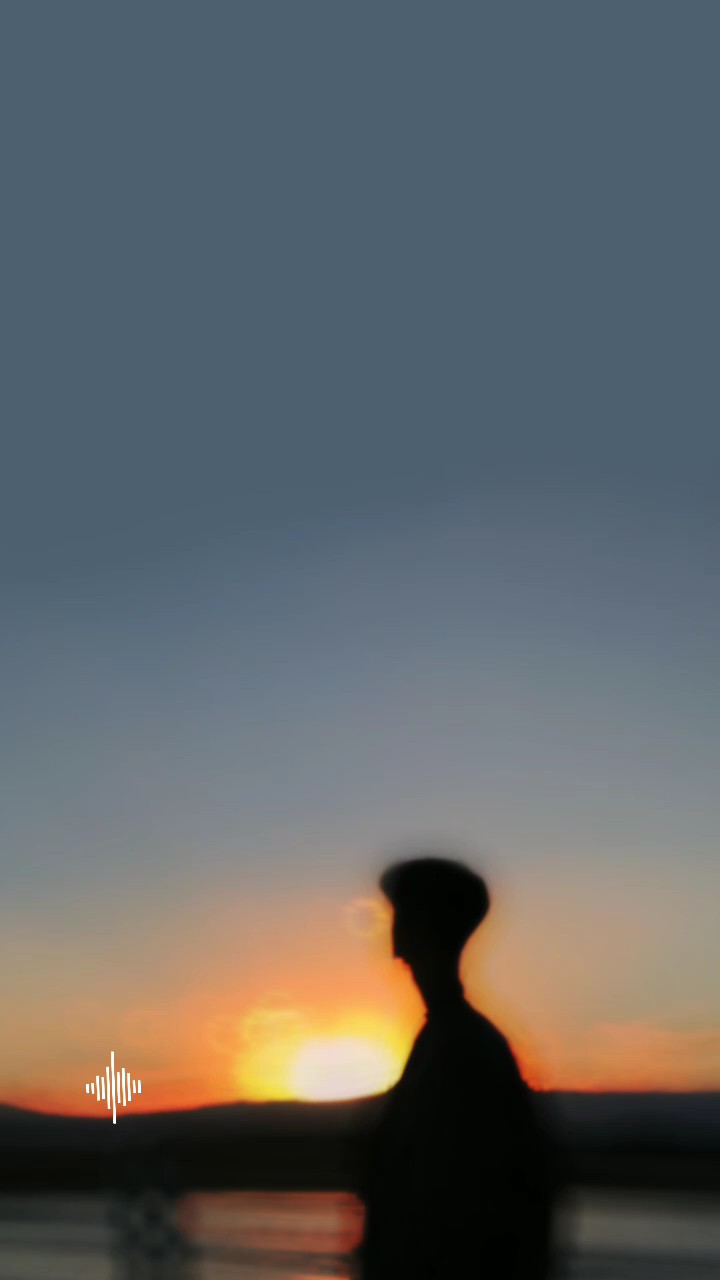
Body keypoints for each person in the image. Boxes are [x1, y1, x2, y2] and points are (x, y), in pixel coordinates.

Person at [356, 855, 557, 1280]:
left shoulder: (463, 1046)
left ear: (415, 931)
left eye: (400, 916)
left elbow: (471, 1204)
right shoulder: (445, 1040)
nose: (392, 933)